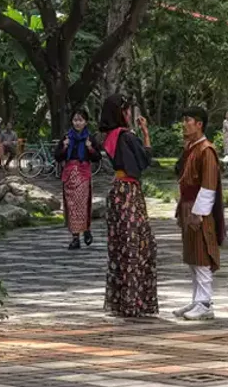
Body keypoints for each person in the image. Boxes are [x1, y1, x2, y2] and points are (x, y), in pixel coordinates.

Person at [96, 94, 158, 317]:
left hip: (116, 191)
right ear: (120, 112)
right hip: (129, 192)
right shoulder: (126, 137)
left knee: (120, 246)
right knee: (138, 245)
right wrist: (146, 134)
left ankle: (121, 301)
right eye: (127, 110)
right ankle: (136, 302)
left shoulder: (110, 137)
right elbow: (144, 161)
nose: (130, 114)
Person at [174, 107, 224, 322]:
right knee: (193, 256)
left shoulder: (206, 150)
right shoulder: (191, 148)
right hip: (188, 206)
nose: (185, 124)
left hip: (198, 210)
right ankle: (197, 299)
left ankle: (205, 303)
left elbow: (208, 184)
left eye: (188, 120)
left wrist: (199, 213)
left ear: (199, 124)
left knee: (202, 255)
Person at [54, 108, 100, 250]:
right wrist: (65, 147)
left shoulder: (90, 138)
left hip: (83, 174)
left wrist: (90, 148)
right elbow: (57, 156)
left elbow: (97, 157)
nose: (77, 123)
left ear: (85, 122)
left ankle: (86, 229)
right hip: (69, 175)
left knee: (83, 204)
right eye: (75, 120)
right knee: (72, 206)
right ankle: (75, 238)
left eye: (80, 120)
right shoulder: (66, 137)